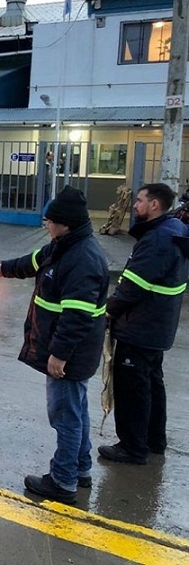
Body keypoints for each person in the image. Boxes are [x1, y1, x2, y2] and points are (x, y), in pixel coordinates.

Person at [0, 185, 109, 504]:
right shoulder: (63, 245)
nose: (46, 226)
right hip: (72, 352)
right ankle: (80, 469)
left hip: (71, 355)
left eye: (49, 221)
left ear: (63, 223)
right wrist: (1, 268)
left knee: (64, 415)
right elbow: (34, 262)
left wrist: (59, 355)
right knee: (76, 410)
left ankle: (63, 481)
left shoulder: (82, 258)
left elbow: (77, 316)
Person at [100, 183, 189, 464]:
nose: (134, 205)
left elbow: (132, 287)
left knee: (132, 390)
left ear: (154, 205)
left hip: (140, 327)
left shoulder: (157, 239)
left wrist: (108, 310)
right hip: (157, 327)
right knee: (152, 384)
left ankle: (132, 447)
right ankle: (153, 441)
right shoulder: (174, 231)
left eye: (139, 201)